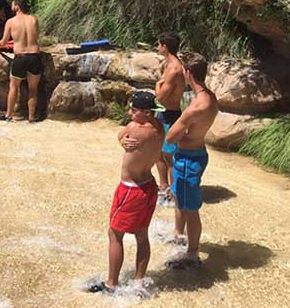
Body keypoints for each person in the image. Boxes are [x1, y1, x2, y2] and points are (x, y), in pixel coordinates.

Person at [88, 91, 165, 294]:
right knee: (141, 235)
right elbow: (123, 140)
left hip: (131, 190)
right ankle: (139, 283)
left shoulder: (134, 129)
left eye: (133, 109)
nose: (129, 112)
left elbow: (121, 135)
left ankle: (111, 284)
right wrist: (122, 141)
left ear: (147, 112)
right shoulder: (158, 127)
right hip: (149, 186)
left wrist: (122, 140)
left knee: (114, 234)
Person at [164, 52, 219, 269]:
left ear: (188, 73)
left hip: (188, 160)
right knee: (179, 198)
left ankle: (193, 255)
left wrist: (181, 123)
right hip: (194, 153)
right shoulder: (210, 97)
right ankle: (178, 235)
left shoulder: (195, 108)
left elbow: (170, 137)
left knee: (191, 209)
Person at [0, 0, 41, 122]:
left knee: (14, 87)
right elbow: (36, 36)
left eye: (12, 5)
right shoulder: (33, 19)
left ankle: (9, 115)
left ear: (17, 6)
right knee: (33, 89)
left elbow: (3, 41)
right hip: (34, 56)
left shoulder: (11, 22)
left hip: (20, 57)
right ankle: (31, 117)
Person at [154, 32, 186, 207]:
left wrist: (157, 85)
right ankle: (163, 187)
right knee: (159, 153)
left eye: (158, 44)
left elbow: (160, 97)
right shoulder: (170, 65)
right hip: (165, 114)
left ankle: (173, 195)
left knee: (169, 157)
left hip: (170, 116)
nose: (157, 47)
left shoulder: (173, 69)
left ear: (165, 47)